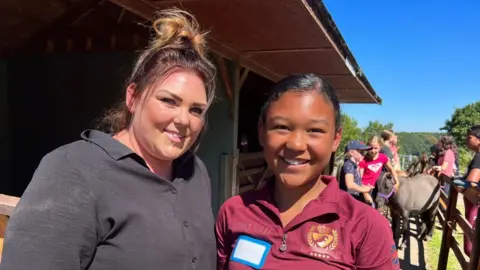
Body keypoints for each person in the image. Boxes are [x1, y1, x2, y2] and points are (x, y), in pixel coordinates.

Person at [1, 8, 217, 270]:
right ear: (133, 97)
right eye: (168, 101)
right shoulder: (72, 170)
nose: (184, 120)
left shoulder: (195, 172)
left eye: (196, 110)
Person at [215, 74, 400, 269]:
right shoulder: (233, 212)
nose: (295, 144)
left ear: (336, 138)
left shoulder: (366, 226)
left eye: (315, 130)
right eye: (281, 127)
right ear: (262, 131)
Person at [452, 124, 480, 256]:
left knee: (470, 248)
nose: (466, 140)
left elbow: (471, 182)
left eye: (469, 138)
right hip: (474, 203)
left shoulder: (479, 157)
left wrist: (460, 185)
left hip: (475, 205)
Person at [360, 136, 399, 205]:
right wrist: (365, 193)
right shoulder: (363, 160)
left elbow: (391, 169)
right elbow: (359, 178)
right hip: (364, 189)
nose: (373, 151)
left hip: (377, 189)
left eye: (376, 148)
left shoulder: (383, 157)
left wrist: (397, 182)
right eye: (370, 148)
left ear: (380, 147)